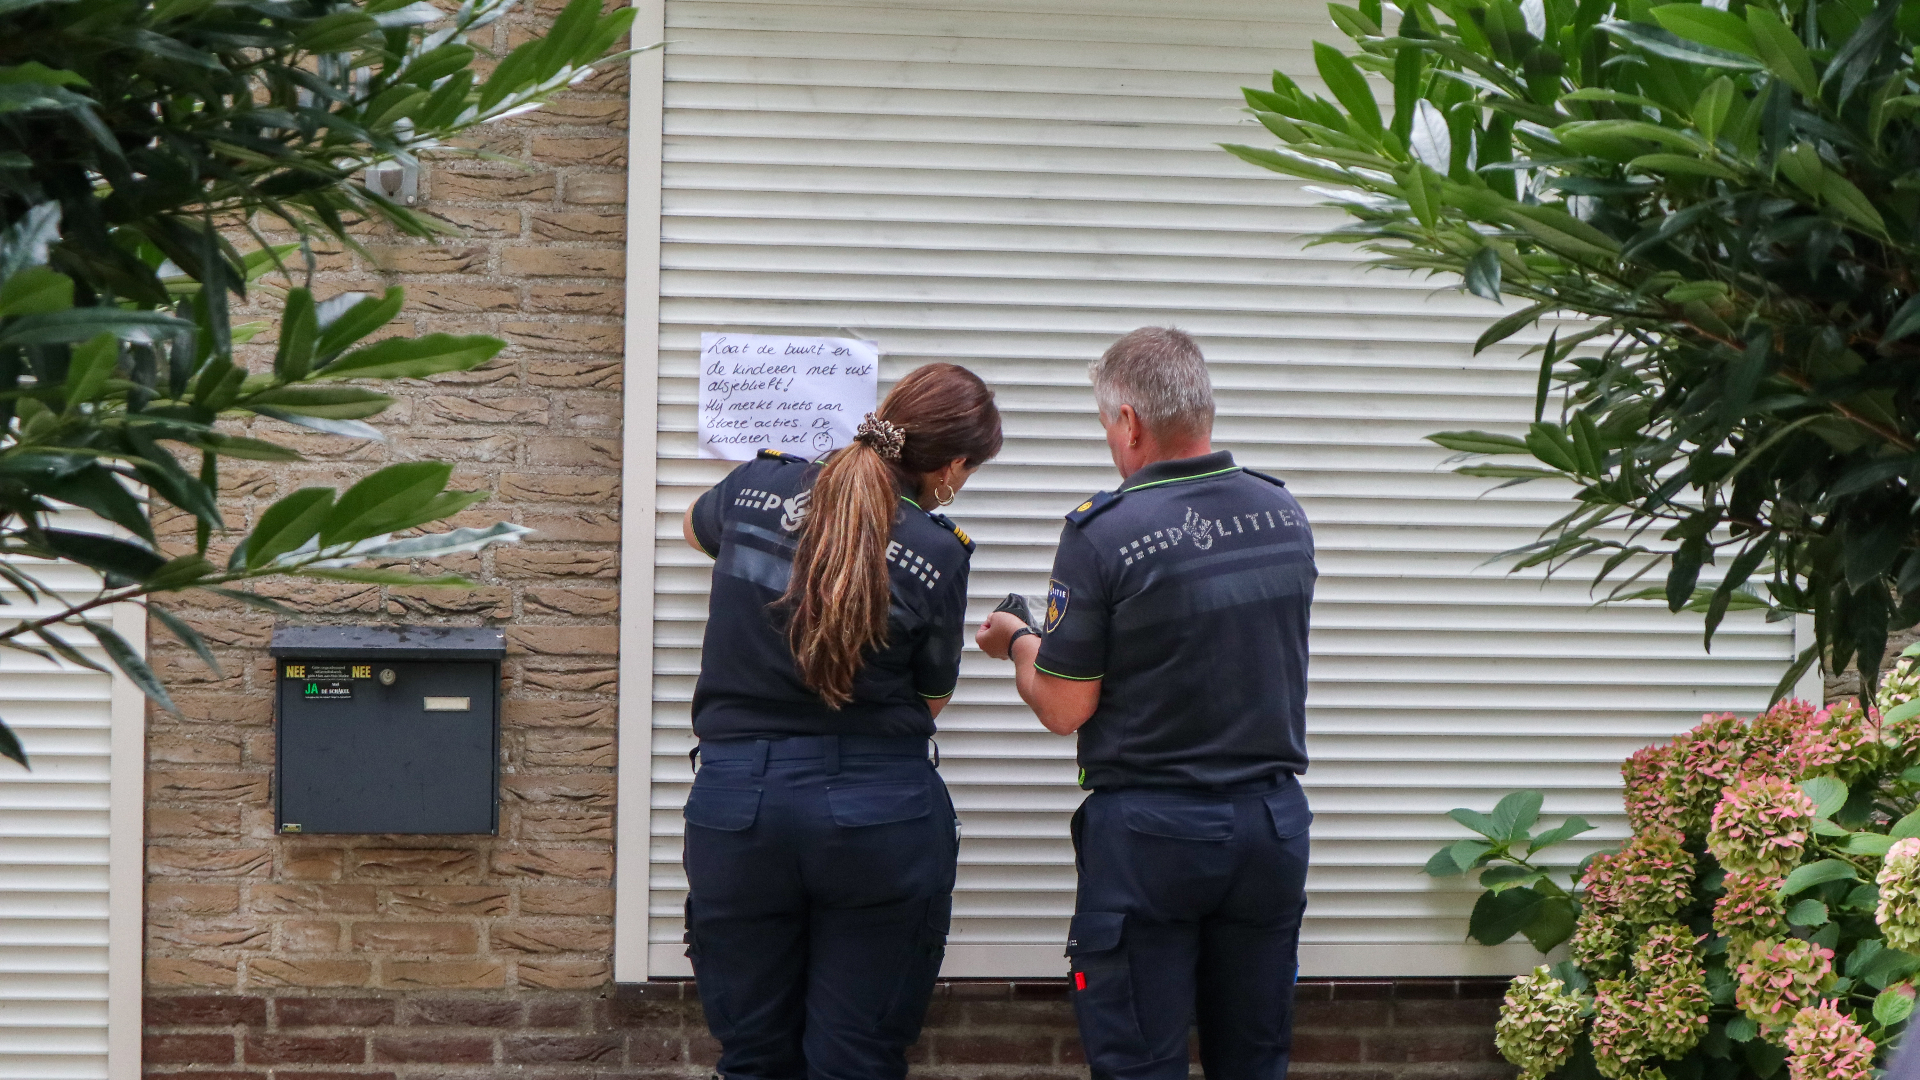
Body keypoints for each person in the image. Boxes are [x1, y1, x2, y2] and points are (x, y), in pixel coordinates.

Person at [976, 327, 1316, 1080]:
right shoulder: (1284, 514)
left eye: (1106, 425)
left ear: (1129, 421)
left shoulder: (1105, 533)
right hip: (1270, 827)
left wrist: (1018, 642)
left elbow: (1065, 707)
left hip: (1152, 836)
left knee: (1138, 1061)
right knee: (1255, 1058)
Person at [680, 362, 1003, 1080]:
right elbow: (931, 699)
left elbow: (695, 530)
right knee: (856, 1057)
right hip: (876, 812)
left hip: (737, 807)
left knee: (753, 1054)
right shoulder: (937, 553)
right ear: (949, 469)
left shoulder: (755, 485)